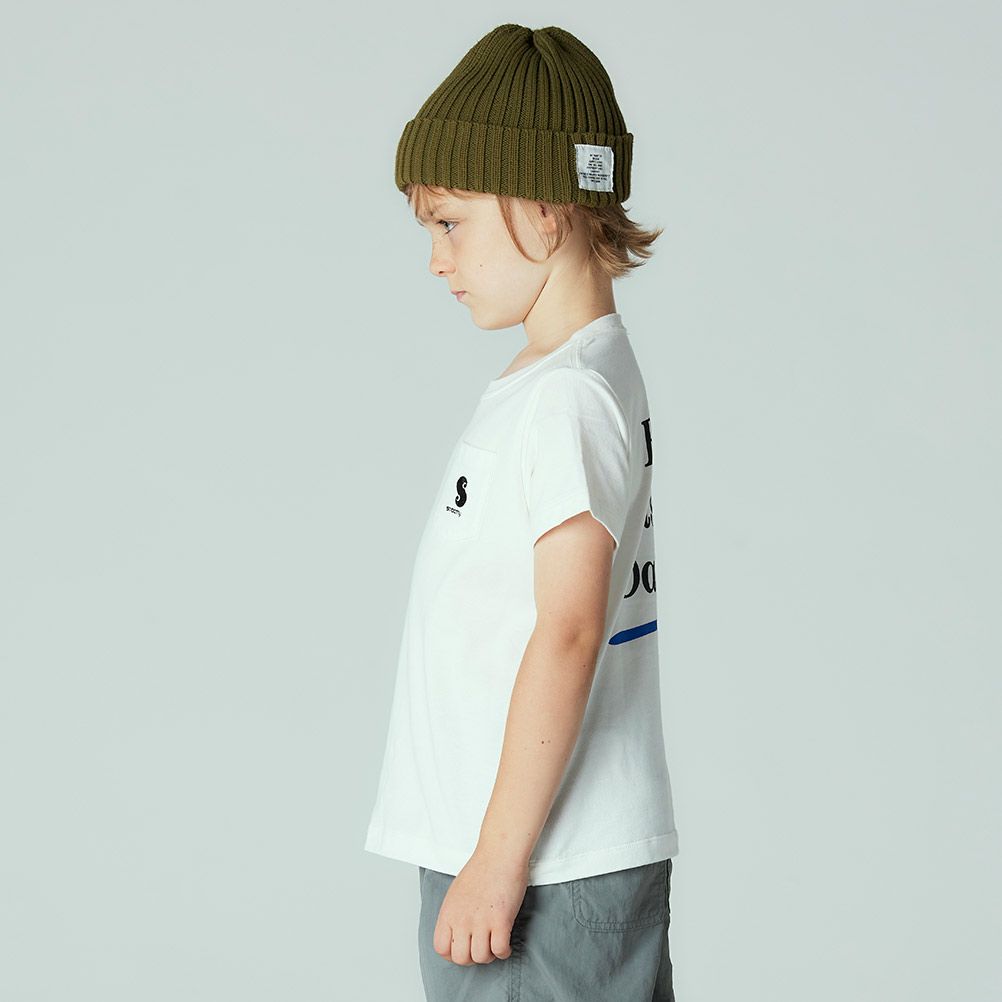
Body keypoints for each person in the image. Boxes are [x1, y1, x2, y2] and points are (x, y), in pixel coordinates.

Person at [364, 22, 680, 1001]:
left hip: (537, 869)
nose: (436, 259)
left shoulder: (567, 399)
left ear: (544, 207)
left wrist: (497, 862)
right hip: (540, 855)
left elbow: (571, 629)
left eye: (449, 222)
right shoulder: (570, 378)